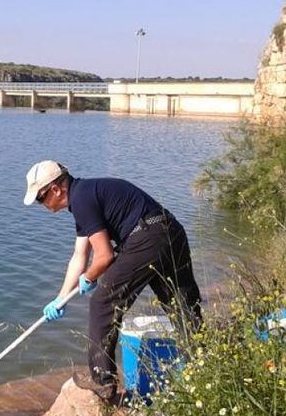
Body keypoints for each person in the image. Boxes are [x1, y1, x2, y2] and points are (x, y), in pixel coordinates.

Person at [23, 160, 203, 402]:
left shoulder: (82, 201)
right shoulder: (85, 194)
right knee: (180, 305)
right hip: (170, 231)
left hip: (146, 238)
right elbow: (79, 256)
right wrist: (60, 297)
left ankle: (103, 382)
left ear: (55, 189)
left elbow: (105, 256)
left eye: (40, 198)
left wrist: (89, 277)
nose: (41, 204)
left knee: (102, 304)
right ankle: (203, 365)